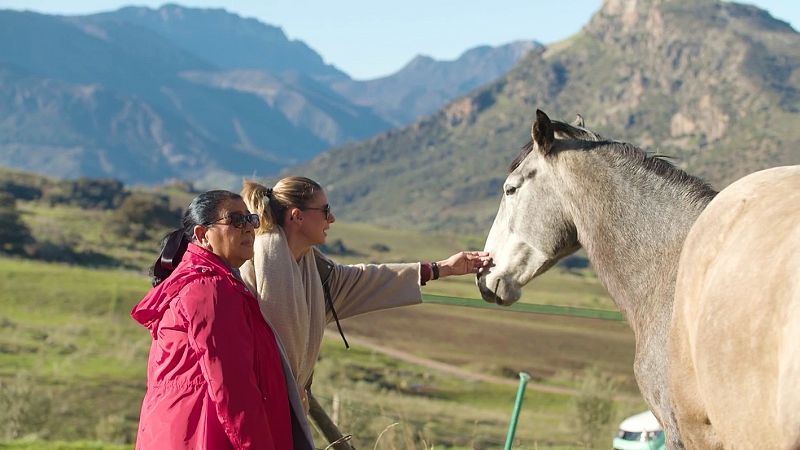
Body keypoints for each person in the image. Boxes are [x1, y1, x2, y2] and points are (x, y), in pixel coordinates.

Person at [239, 177, 491, 413]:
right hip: (254, 408)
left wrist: (443, 268)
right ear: (297, 217)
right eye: (325, 211)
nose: (332, 218)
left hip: (284, 409)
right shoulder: (252, 267)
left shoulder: (314, 269)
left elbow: (367, 279)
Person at [130, 190, 314, 450]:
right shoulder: (210, 289)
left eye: (251, 219)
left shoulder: (213, 283)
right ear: (202, 236)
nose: (249, 228)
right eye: (236, 220)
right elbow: (234, 389)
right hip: (204, 435)